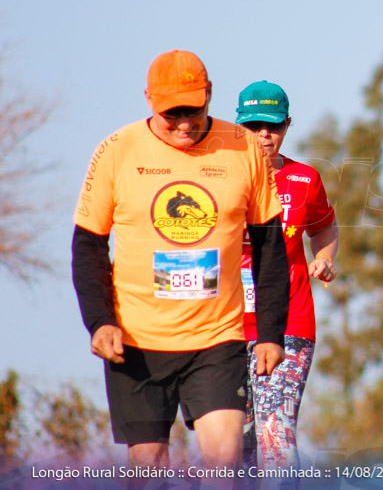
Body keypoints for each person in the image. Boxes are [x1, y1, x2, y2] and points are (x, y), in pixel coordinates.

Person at [72, 50, 290, 471]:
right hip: (137, 341)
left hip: (217, 339)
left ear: (209, 95)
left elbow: (269, 248)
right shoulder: (117, 151)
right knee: (149, 466)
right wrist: (99, 321)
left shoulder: (243, 148)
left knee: (224, 463)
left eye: (194, 109)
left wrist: (270, 332)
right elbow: (88, 246)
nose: (185, 123)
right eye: (172, 114)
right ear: (149, 100)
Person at [235, 80, 338, 478]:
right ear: (238, 127)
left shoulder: (304, 179)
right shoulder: (217, 179)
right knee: (231, 443)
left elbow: (325, 228)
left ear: (288, 125)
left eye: (273, 125)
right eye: (254, 125)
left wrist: (325, 258)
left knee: (274, 433)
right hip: (222, 327)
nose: (264, 134)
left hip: (289, 324)